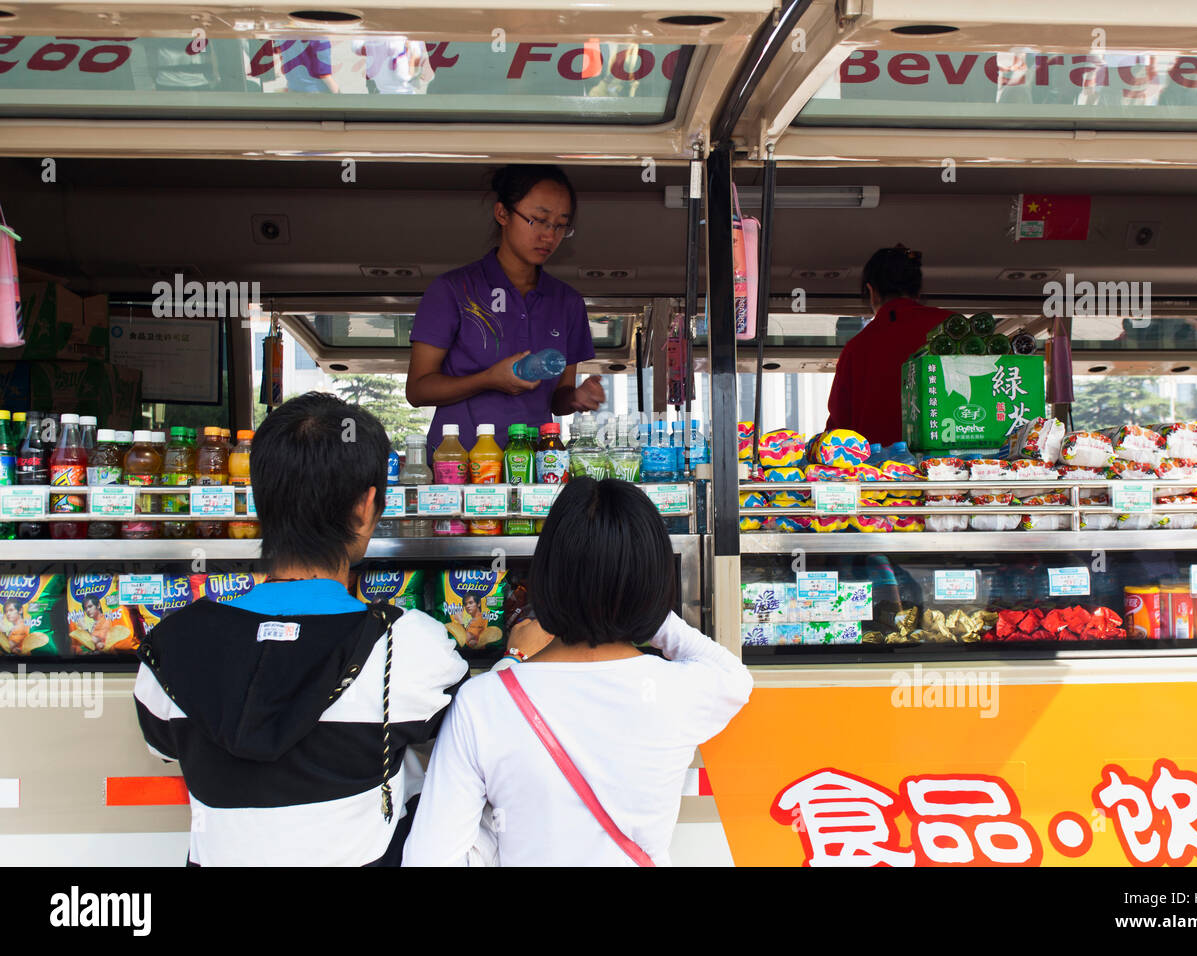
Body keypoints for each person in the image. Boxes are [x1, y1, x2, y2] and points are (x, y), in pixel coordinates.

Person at [133, 393, 468, 866]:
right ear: (367, 506)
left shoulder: (171, 643)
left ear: (256, 501)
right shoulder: (410, 646)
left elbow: (163, 746)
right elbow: (469, 744)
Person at [402, 478, 753, 866]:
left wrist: (513, 659)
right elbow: (733, 675)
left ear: (545, 577)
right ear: (655, 583)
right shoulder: (679, 691)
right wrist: (642, 611)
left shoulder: (482, 701)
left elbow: (430, 857)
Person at [405, 165, 605, 459]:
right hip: (460, 463)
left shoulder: (568, 302)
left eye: (561, 225)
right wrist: (489, 379)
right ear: (502, 214)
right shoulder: (453, 289)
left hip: (536, 463)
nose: (549, 235)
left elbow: (557, 400)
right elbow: (418, 390)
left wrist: (576, 397)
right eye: (538, 220)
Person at [825, 243, 949, 444]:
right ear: (917, 290)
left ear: (872, 291)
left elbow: (838, 433)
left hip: (882, 472)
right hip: (956, 468)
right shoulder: (953, 328)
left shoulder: (856, 349)